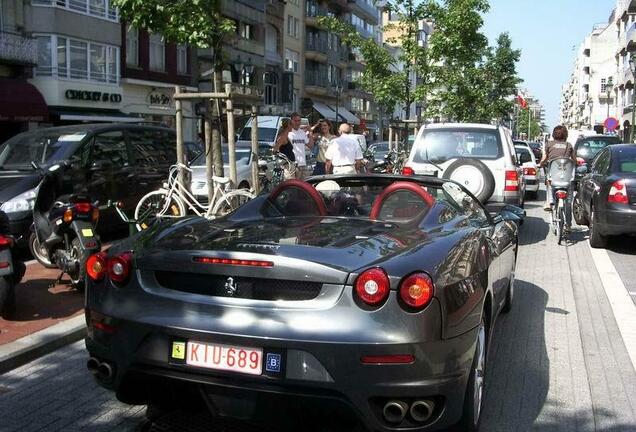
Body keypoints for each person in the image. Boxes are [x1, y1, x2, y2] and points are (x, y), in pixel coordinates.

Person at [539, 125, 576, 214]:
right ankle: (568, 222)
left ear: (554, 134)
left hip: (554, 176)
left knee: (548, 180)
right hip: (566, 177)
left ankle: (549, 202)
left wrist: (540, 164)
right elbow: (574, 160)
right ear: (565, 135)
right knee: (571, 183)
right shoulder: (569, 145)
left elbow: (544, 158)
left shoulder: (549, 144)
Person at [287, 113, 316, 179]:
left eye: (299, 121)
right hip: (293, 164)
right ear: (291, 121)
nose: (297, 123)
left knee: (304, 186)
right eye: (295, 121)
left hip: (303, 163)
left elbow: (311, 146)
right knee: (293, 186)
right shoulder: (288, 132)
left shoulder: (302, 132)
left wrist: (310, 132)